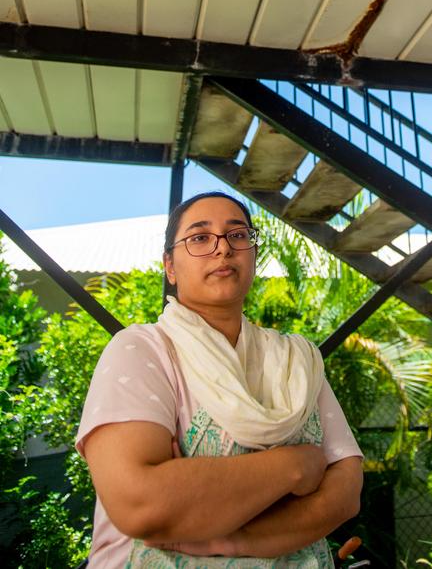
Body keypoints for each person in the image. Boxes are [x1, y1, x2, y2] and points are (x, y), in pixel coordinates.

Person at [76, 191, 363, 568]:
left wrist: (235, 537)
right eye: (199, 237)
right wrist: (296, 466)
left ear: (253, 255)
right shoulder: (142, 351)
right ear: (170, 267)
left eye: (238, 235)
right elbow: (141, 504)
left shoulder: (296, 360)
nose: (222, 249)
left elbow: (345, 492)